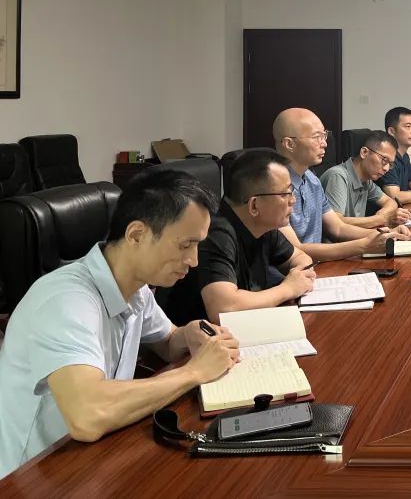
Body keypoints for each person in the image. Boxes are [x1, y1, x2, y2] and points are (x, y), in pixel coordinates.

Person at [0, 169, 240, 478]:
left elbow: (167, 342)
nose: (194, 260)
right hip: (33, 474)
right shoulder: (65, 301)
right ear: (136, 235)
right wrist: (195, 371)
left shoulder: (136, 286)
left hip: (95, 456)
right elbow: (88, 415)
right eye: (185, 245)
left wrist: (188, 335)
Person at [155, 150, 317, 325]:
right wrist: (287, 289)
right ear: (254, 205)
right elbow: (223, 309)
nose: (292, 200)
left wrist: (298, 276)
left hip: (242, 329)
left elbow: (300, 257)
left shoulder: (264, 225)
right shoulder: (215, 232)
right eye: (285, 194)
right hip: (194, 338)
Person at [273, 108, 411, 269]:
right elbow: (296, 250)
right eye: (316, 137)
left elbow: (338, 228)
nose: (324, 143)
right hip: (291, 276)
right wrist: (364, 245)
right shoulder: (273, 188)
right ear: (289, 144)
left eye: (324, 135)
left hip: (316, 268)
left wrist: (387, 234)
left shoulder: (312, 180)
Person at [321, 130, 411, 223]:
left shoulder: (366, 181)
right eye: (384, 160)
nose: (386, 168)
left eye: (390, 164)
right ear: (364, 152)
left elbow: (391, 202)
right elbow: (336, 223)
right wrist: (382, 219)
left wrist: (381, 216)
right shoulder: (337, 176)